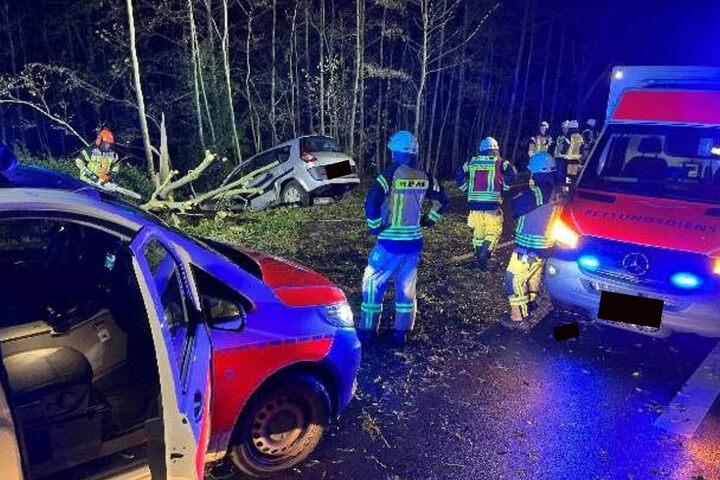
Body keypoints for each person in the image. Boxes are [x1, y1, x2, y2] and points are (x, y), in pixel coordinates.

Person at [359, 130, 449, 348]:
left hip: (389, 242)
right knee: (406, 289)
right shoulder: (425, 177)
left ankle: (368, 332)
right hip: (413, 243)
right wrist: (429, 220)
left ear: (395, 153)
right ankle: (401, 332)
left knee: (372, 284)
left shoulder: (389, 175)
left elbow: (372, 201)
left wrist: (374, 227)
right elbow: (443, 201)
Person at [503, 151, 560, 328]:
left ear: (537, 172)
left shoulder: (538, 192)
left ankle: (518, 318)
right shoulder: (556, 191)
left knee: (511, 279)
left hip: (529, 246)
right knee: (533, 277)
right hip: (545, 246)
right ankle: (531, 303)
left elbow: (516, 205)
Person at [455, 137, 515, 270]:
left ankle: (479, 256)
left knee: (478, 233)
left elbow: (459, 176)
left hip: (474, 206)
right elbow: (512, 172)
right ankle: (485, 253)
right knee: (493, 231)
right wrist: (504, 188)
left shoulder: (472, 161)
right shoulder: (500, 162)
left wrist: (467, 190)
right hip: (492, 205)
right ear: (496, 149)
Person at [554, 120, 584, 189]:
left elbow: (565, 147)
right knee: (574, 175)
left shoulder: (568, 136)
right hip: (576, 160)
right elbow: (582, 149)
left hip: (569, 159)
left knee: (568, 175)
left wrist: (562, 153)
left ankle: (567, 189)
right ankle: (572, 188)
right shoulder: (579, 137)